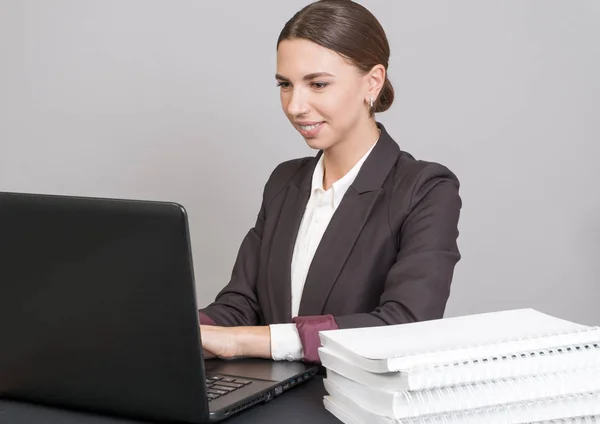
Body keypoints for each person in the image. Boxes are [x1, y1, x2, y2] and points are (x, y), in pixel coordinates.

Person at [198, 0, 461, 364]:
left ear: (373, 82)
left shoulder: (425, 189)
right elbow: (241, 304)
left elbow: (405, 324)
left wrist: (247, 342)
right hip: (266, 398)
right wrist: (176, 328)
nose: (295, 106)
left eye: (317, 84)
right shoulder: (284, 181)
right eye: (285, 85)